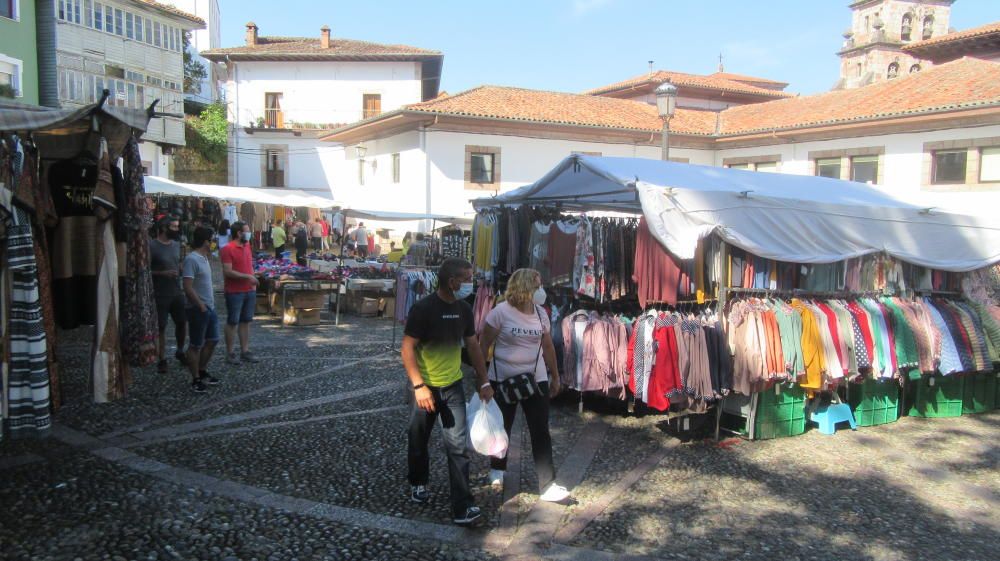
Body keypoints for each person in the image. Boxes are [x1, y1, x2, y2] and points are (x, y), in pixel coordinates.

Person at [402, 257, 491, 526]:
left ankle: (462, 507)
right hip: (425, 388)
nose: (470, 283)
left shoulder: (465, 309)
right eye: (466, 278)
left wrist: (484, 380)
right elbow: (406, 349)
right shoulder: (423, 308)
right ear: (452, 282)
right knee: (418, 440)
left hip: (452, 387)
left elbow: (473, 346)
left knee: (457, 448)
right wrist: (419, 386)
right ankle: (418, 482)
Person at [478, 269, 569, 502]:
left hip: (535, 380)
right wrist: (483, 381)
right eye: (537, 286)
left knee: (541, 431)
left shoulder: (541, 314)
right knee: (501, 427)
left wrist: (555, 376)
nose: (542, 291)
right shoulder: (500, 312)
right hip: (503, 380)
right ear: (524, 287)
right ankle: (497, 470)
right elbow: (483, 344)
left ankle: (548, 484)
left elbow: (547, 346)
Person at [182, 226, 221, 393]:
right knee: (195, 345)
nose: (214, 243)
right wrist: (200, 305)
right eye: (212, 240)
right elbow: (187, 287)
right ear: (205, 241)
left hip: (208, 307)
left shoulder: (205, 258)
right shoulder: (192, 259)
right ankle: (195, 379)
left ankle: (202, 370)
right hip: (198, 308)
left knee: (213, 340)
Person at [149, 215, 188, 374]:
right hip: (160, 294)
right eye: (173, 227)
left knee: (182, 323)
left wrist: (181, 268)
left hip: (176, 291)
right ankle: (162, 359)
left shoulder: (177, 245)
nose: (177, 229)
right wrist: (162, 273)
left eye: (177, 226)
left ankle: (180, 351)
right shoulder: (151, 246)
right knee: (161, 327)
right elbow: (144, 271)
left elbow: (179, 262)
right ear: (164, 228)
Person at [220, 221, 260, 365]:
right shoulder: (227, 249)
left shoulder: (247, 245)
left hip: (249, 290)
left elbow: (249, 265)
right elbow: (228, 271)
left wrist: (252, 277)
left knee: (245, 321)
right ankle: (230, 353)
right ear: (239, 233)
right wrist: (248, 277)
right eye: (247, 230)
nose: (249, 233)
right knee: (232, 322)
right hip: (234, 291)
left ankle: (245, 350)